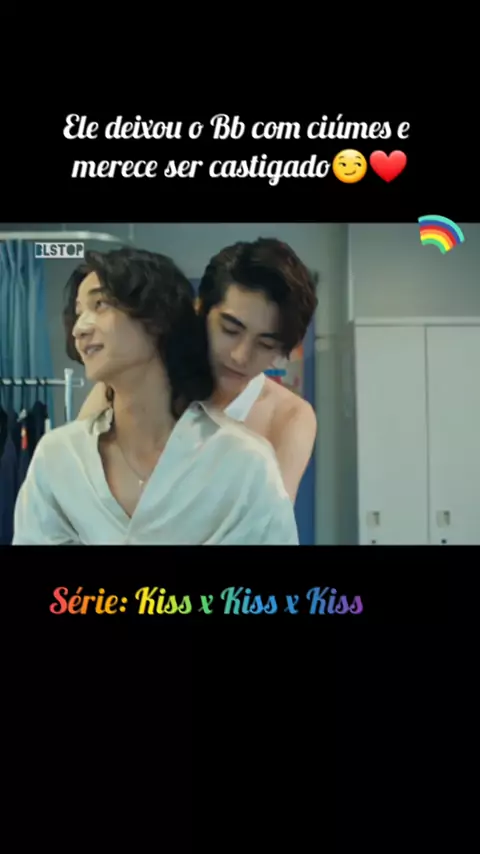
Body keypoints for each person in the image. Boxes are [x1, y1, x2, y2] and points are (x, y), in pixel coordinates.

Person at [12, 248, 298, 545]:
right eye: (79, 311)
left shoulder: (242, 462)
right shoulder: (58, 457)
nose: (79, 328)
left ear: (157, 317)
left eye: (100, 304)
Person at [78, 237, 318, 502]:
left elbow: (270, 521)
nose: (241, 356)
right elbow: (75, 479)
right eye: (230, 330)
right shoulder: (135, 383)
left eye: (265, 344)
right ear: (200, 309)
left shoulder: (287, 417)